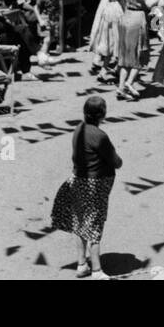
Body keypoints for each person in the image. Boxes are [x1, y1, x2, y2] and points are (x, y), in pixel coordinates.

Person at [52, 95, 121, 279]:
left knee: (80, 223)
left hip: (78, 180)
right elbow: (115, 161)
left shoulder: (78, 129)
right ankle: (97, 270)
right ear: (102, 114)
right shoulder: (99, 136)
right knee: (95, 226)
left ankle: (82, 264)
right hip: (94, 185)